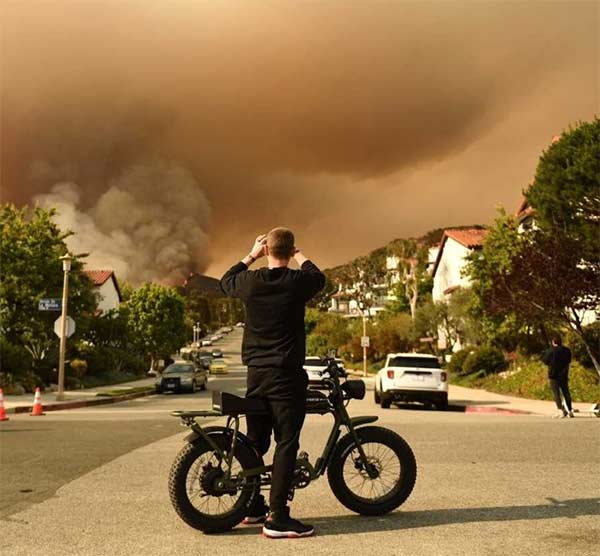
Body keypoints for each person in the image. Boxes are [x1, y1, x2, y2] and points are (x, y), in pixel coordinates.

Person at [220, 228, 325, 539]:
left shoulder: (250, 282)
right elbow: (318, 276)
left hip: (256, 374)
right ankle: (277, 517)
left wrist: (251, 253)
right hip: (285, 375)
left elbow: (226, 280)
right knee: (286, 443)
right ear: (290, 251)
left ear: (267, 251)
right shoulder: (297, 282)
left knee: (256, 441)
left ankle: (252, 507)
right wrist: (299, 254)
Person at [542, 336, 574, 419]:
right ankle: (570, 410)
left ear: (553, 342)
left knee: (556, 393)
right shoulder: (567, 350)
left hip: (553, 375)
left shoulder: (550, 351)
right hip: (564, 374)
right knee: (566, 392)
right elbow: (569, 360)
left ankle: (561, 410)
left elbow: (545, 361)